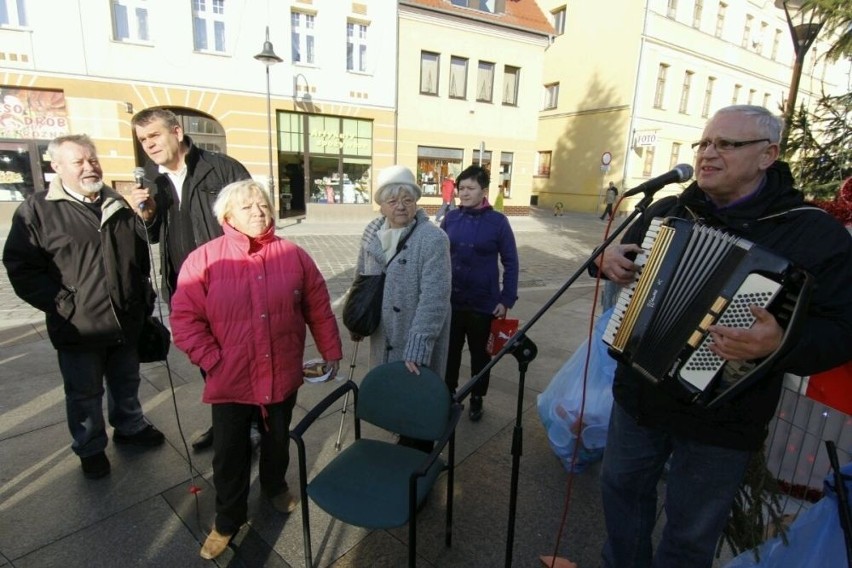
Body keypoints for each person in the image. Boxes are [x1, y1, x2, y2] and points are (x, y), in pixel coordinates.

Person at [594, 105, 852, 567]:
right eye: (705, 143)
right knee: (620, 500)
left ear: (767, 155)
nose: (708, 154)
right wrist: (608, 257)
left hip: (725, 418)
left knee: (691, 536)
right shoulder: (670, 207)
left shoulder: (814, 233)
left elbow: (844, 330)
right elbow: (614, 255)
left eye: (726, 145)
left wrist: (781, 344)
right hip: (638, 397)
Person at [168, 180, 342, 560]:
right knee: (229, 453)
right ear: (227, 216)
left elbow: (318, 306)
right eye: (247, 207)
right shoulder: (205, 258)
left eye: (263, 205)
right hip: (231, 377)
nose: (259, 212)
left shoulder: (294, 255)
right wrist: (213, 360)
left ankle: (275, 486)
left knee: (277, 438)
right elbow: (183, 319)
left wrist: (330, 349)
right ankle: (228, 519)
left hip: (281, 370)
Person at [3, 134, 165, 480]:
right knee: (84, 392)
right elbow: (20, 266)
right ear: (57, 167)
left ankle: (130, 427)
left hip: (125, 320)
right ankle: (90, 447)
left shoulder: (117, 203)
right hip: (79, 323)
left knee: (127, 381)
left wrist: (142, 300)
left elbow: (139, 257)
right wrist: (62, 302)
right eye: (79, 162)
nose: (89, 167)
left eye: (92, 160)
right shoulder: (38, 210)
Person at [129, 107, 251, 451]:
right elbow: (152, 235)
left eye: (154, 135)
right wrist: (149, 215)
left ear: (177, 132)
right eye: (143, 140)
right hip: (185, 288)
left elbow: (255, 220)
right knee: (207, 361)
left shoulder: (222, 168)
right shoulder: (156, 183)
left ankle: (252, 427)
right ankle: (225, 423)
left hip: (229, 285)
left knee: (240, 359)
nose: (149, 145)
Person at [350, 165, 451, 451]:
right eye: (392, 200)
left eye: (407, 199)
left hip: (416, 331)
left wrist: (419, 344)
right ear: (381, 205)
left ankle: (418, 466)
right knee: (393, 395)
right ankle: (399, 444)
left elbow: (436, 297)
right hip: (384, 331)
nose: (401, 206)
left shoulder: (432, 239)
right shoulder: (372, 234)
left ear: (416, 201)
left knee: (418, 400)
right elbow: (361, 278)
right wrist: (356, 319)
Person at [440, 165, 518, 421]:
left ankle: (476, 397)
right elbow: (437, 256)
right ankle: (447, 395)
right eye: (461, 188)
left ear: (483, 191)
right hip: (452, 302)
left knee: (480, 355)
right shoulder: (450, 218)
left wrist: (506, 299)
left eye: (470, 188)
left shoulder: (498, 222)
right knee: (449, 353)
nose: (464, 193)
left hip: (483, 304)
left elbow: (511, 261)